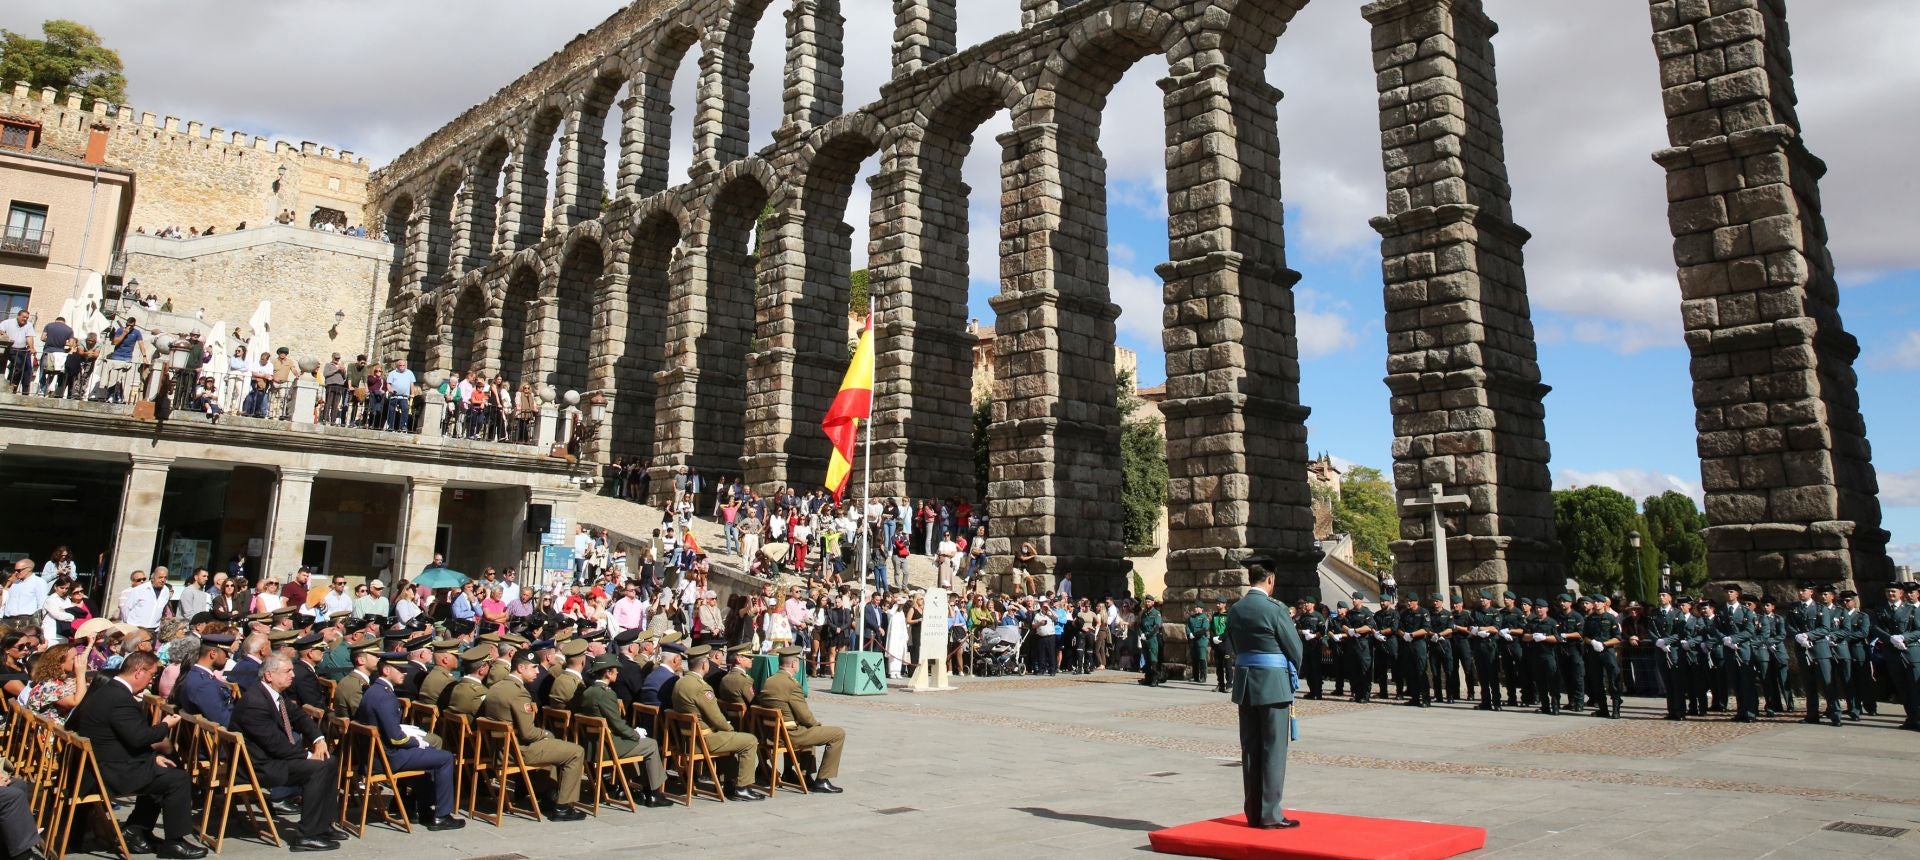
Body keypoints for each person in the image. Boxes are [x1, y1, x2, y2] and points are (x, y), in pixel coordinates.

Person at [65, 652, 207, 858]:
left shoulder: (106, 691)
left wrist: (152, 757)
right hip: (109, 771)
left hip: (103, 764)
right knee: (177, 779)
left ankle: (136, 830)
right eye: (151, 675)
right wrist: (165, 725)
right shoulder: (119, 698)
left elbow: (126, 737)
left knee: (162, 770)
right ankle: (174, 842)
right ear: (139, 672)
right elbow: (139, 737)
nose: (152, 680)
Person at [233, 655, 342, 852]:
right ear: (269, 675)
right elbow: (275, 745)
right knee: (318, 768)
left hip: (274, 758)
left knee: (330, 760)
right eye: (287, 671)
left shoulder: (275, 694)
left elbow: (299, 717)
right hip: (260, 765)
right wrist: (308, 755)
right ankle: (307, 835)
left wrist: (319, 740)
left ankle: (323, 824)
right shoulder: (255, 702)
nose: (293, 675)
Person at [1226, 558, 1303, 830]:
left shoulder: (1236, 609)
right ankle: (1271, 814)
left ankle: (1253, 812)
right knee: (1273, 749)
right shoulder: (1276, 608)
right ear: (1270, 579)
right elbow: (1294, 647)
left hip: (1246, 684)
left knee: (1250, 750)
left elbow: (1231, 643)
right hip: (1273, 684)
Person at [360, 653, 464, 830]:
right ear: (386, 671)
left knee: (431, 755)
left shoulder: (374, 691)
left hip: (378, 754)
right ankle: (442, 815)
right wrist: (417, 742)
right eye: (399, 670)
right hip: (388, 757)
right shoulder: (384, 697)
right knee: (445, 757)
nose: (404, 673)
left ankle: (421, 808)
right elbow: (396, 738)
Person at [481, 650, 588, 820]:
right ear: (521, 668)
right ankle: (562, 807)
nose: (538, 671)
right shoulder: (519, 692)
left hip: (499, 749)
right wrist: (546, 733)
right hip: (517, 751)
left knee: (553, 746)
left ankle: (546, 795)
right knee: (576, 752)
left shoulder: (496, 687)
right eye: (533, 667)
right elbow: (528, 733)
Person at [667, 644, 764, 801]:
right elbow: (717, 719)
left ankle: (730, 782)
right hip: (703, 740)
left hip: (687, 739)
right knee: (749, 740)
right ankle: (742, 787)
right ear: (704, 664)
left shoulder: (680, 682)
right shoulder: (702, 688)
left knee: (731, 738)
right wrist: (731, 729)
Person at [577, 653, 671, 807]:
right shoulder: (606, 694)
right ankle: (653, 792)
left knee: (637, 744)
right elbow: (617, 724)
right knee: (651, 745)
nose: (618, 673)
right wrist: (635, 734)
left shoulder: (589, 691)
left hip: (594, 744)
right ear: (608, 672)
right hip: (608, 746)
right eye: (615, 670)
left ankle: (624, 786)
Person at [754, 647, 844, 793]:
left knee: (810, 732)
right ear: (794, 664)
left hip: (771, 733)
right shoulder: (792, 684)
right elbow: (805, 716)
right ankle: (823, 779)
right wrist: (817, 725)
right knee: (838, 734)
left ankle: (799, 774)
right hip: (789, 735)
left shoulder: (769, 681)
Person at [1137, 595, 1164, 686]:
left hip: (1152, 639)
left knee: (1153, 660)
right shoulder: (1144, 613)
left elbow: (1156, 627)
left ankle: (1155, 679)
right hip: (1144, 639)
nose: (1147, 603)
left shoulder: (1156, 613)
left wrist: (1147, 635)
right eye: (1146, 601)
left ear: (1153, 602)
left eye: (1149, 602)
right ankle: (1147, 678)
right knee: (1147, 659)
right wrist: (1141, 634)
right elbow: (1140, 625)